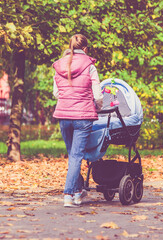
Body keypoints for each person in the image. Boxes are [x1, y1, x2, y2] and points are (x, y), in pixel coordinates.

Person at [52, 34, 103, 207]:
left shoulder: (60, 65)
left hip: (64, 116)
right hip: (83, 116)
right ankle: (68, 194)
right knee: (76, 157)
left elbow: (56, 93)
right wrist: (99, 107)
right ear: (86, 49)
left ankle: (78, 190)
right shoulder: (90, 65)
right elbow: (97, 95)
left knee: (73, 156)